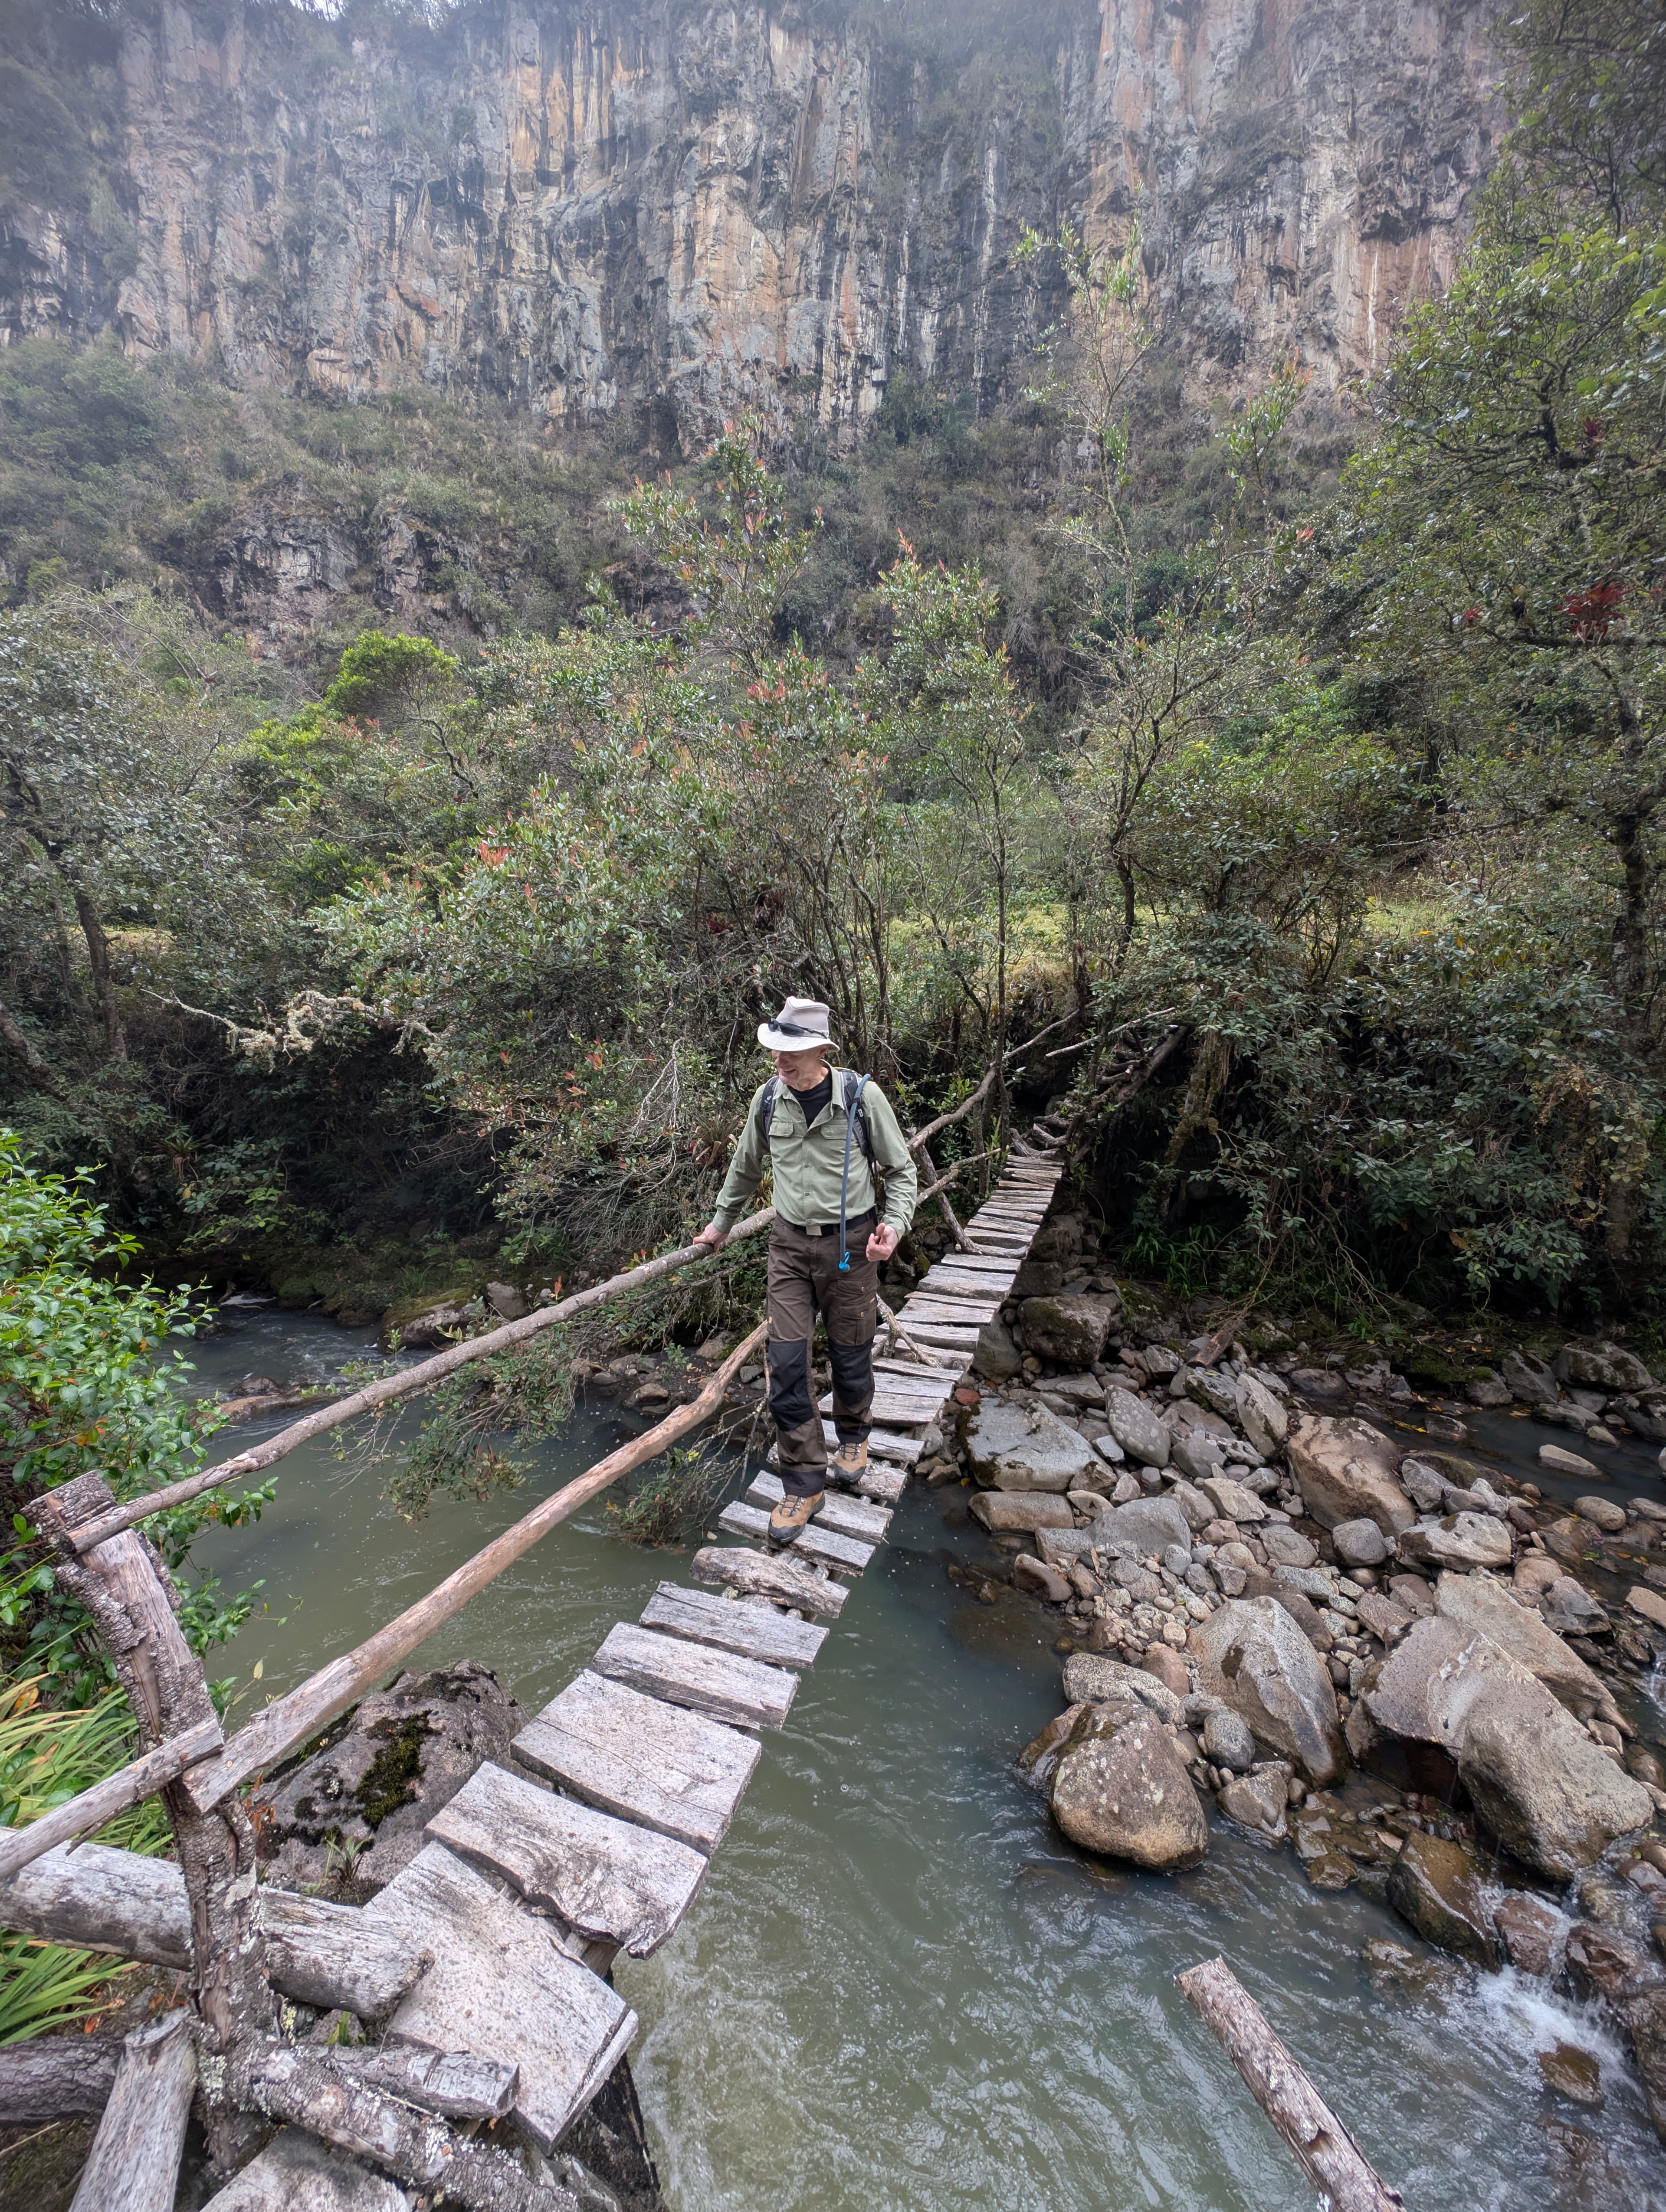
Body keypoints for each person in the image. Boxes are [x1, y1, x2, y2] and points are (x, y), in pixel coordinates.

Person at [694, 997, 917, 1547]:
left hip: (852, 1246)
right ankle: (803, 1482)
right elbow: (745, 1167)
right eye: (775, 1052)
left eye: (791, 1053)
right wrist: (720, 1226)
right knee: (788, 1365)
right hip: (790, 1247)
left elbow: (901, 1170)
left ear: (821, 1050)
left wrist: (894, 1225)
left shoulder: (863, 1099)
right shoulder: (769, 1100)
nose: (780, 1063)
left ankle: (855, 1436)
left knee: (851, 1351)